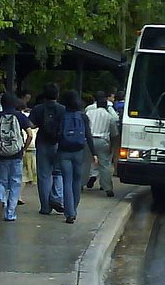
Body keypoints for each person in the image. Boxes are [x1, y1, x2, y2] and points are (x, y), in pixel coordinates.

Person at [0, 92, 35, 222]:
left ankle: (0, 198)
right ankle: (10, 213)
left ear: (2, 103)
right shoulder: (20, 116)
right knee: (15, 183)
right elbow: (30, 134)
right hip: (16, 155)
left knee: (0, 181)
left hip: (0, 155)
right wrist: (23, 148)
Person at [58, 89, 97, 224]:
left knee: (66, 181)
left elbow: (57, 133)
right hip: (79, 151)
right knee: (77, 181)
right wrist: (94, 153)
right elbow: (88, 135)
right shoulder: (83, 116)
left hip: (64, 151)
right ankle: (74, 209)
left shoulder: (62, 115)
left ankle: (69, 213)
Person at [30, 84, 66, 215]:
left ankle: (45, 207)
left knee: (44, 176)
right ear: (57, 94)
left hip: (43, 143)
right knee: (58, 173)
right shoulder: (63, 109)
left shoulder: (38, 109)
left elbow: (31, 124)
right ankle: (57, 198)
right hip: (59, 143)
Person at [86, 91, 119, 197]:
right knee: (105, 165)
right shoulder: (110, 117)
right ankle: (108, 188)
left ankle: (81, 184)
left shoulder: (89, 113)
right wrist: (112, 147)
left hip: (88, 140)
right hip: (103, 141)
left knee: (86, 163)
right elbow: (114, 134)